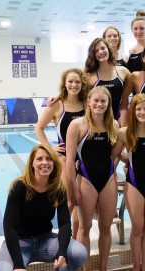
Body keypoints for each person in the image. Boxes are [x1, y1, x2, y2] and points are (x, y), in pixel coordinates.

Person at [0, 144, 87, 271]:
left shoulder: (57, 188)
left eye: (49, 158)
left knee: (78, 253)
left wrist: (62, 251)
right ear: (32, 164)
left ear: (54, 163)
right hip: (21, 243)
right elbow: (9, 227)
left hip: (45, 240)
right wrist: (18, 265)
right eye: (40, 159)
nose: (45, 162)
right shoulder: (19, 187)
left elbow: (65, 223)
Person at [65, 86, 119, 271]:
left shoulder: (113, 124)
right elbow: (70, 160)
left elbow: (114, 153)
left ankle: (103, 269)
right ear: (88, 101)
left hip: (107, 180)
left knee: (106, 227)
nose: (99, 104)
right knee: (84, 227)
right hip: (85, 180)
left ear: (108, 104)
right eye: (95, 101)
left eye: (103, 101)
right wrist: (73, 189)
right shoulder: (77, 125)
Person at [112, 93, 145, 271]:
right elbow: (113, 155)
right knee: (137, 228)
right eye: (138, 108)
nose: (142, 112)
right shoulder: (125, 132)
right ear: (133, 111)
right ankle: (135, 265)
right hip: (134, 183)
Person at [34, 68, 88, 239]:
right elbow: (38, 128)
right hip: (65, 159)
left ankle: (73, 242)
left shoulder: (87, 104)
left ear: (82, 84)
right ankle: (61, 240)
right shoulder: (58, 105)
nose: (74, 85)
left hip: (84, 158)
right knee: (69, 201)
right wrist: (49, 148)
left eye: (77, 82)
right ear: (64, 83)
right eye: (70, 81)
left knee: (81, 203)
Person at [85, 38, 130, 127]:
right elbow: (81, 98)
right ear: (93, 55)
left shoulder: (122, 71)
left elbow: (137, 82)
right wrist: (59, 97)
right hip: (97, 122)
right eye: (96, 51)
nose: (100, 52)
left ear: (108, 49)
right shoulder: (90, 77)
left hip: (119, 120)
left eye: (102, 48)